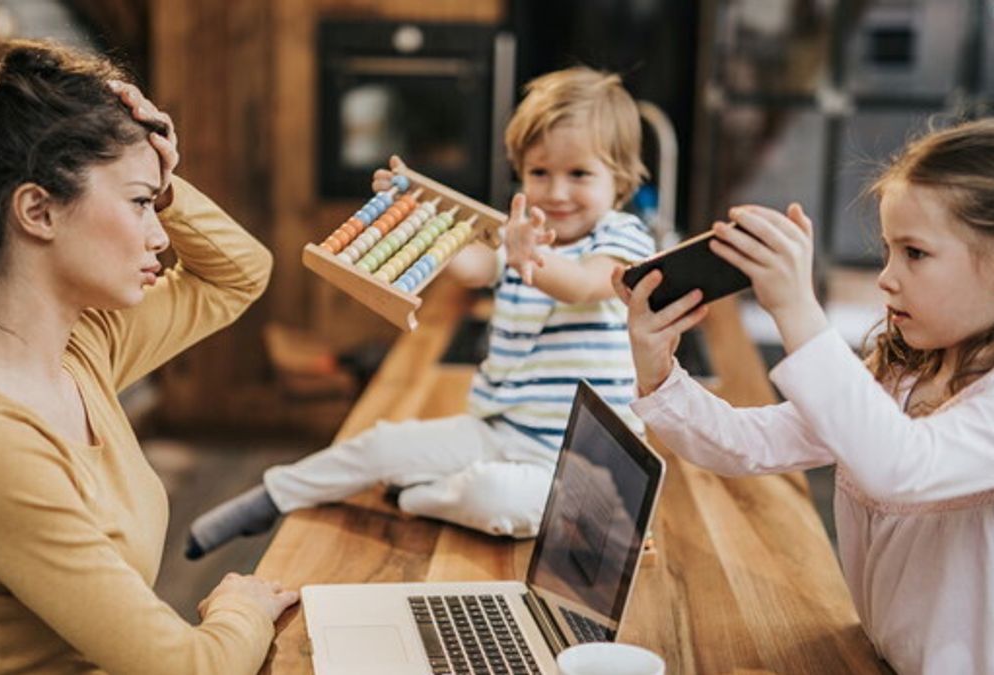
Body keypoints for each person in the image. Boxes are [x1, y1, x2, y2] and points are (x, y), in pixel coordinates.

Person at [0, 31, 297, 674]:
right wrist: (238, 603)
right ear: (38, 211)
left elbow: (239, 274)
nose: (160, 234)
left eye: (157, 207)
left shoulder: (79, 350)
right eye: (138, 204)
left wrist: (164, 176)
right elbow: (193, 669)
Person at [616, 117, 994, 674]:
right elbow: (749, 443)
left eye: (914, 253)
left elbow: (902, 467)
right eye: (888, 250)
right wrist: (658, 369)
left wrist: (795, 308)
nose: (886, 278)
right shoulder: (906, 372)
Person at [187, 66, 657, 558]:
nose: (557, 193)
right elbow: (474, 266)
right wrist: (415, 214)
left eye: (579, 174)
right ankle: (275, 494)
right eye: (540, 173)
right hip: (499, 430)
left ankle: (419, 496)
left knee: (496, 496)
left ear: (619, 180)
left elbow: (582, 285)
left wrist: (524, 255)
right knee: (384, 445)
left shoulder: (622, 238)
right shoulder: (523, 235)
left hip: (584, 465)